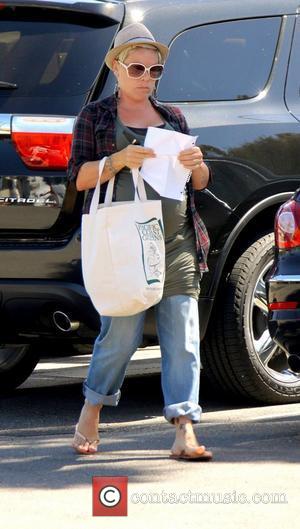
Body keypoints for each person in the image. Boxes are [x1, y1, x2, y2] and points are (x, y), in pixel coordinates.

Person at [67, 23, 213, 461]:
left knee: (183, 335)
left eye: (155, 70)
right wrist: (114, 161)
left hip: (176, 240)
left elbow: (199, 183)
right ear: (115, 67)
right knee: (121, 335)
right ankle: (92, 408)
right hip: (124, 246)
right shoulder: (94, 116)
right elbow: (77, 178)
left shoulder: (173, 119)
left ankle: (184, 427)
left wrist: (198, 163)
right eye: (136, 67)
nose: (146, 77)